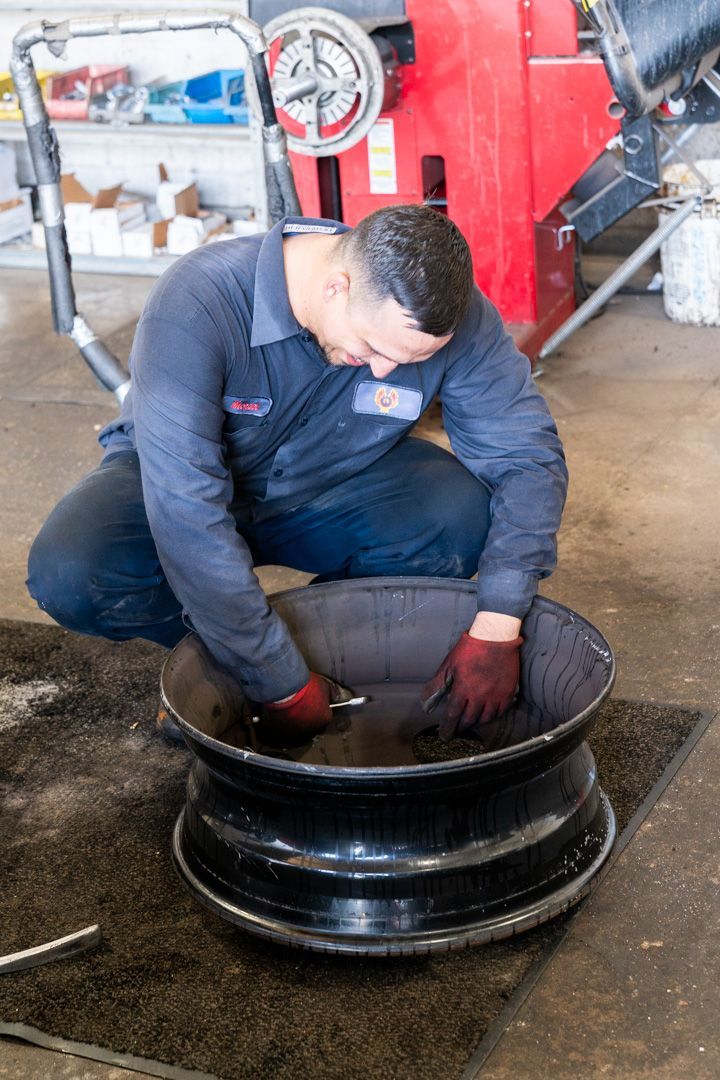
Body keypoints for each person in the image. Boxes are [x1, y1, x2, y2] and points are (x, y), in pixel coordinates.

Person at [27, 204, 567, 743]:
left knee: (458, 518)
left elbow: (528, 459)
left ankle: (328, 648)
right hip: (175, 479)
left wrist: (498, 627)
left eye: (405, 361)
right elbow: (186, 512)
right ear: (336, 287)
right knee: (72, 572)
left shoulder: (453, 317)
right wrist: (275, 679)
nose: (386, 369)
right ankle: (221, 665)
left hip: (329, 481)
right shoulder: (198, 302)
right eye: (374, 348)